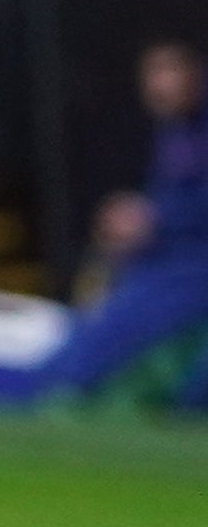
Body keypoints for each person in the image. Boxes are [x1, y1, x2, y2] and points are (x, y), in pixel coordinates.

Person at [30, 41, 208, 410]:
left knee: (116, 339)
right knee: (89, 323)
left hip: (191, 271)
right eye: (152, 73)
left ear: (194, 74)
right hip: (159, 264)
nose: (159, 84)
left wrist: (154, 219)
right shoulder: (173, 133)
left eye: (169, 71)